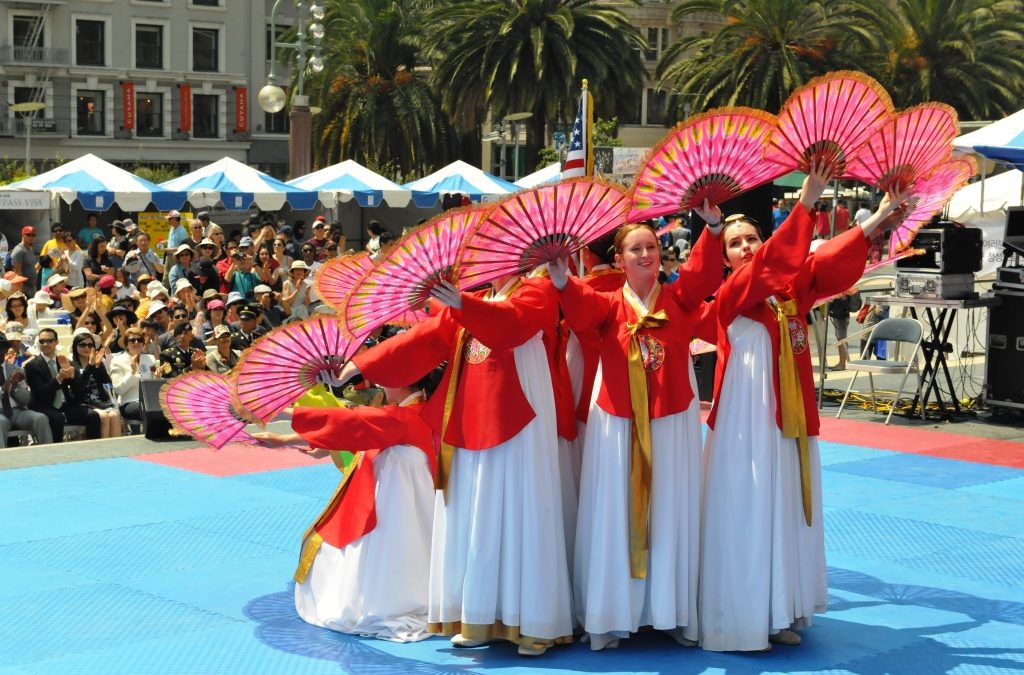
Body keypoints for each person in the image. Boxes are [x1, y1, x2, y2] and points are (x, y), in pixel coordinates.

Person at [695, 162, 900, 652]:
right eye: (735, 244)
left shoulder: (789, 292)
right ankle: (744, 612)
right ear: (725, 260)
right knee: (751, 507)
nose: (746, 248)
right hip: (747, 427)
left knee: (784, 507)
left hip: (787, 420)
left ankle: (779, 606)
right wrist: (806, 201)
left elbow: (826, 262)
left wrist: (883, 215)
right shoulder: (731, 294)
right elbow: (771, 267)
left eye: (751, 239)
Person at [334, 273, 573, 656]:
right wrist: (357, 368)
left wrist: (463, 304)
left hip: (520, 414)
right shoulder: (470, 299)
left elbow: (511, 326)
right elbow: (422, 339)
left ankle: (535, 622)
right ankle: (479, 616)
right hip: (472, 416)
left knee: (523, 506)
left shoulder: (536, 290)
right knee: (477, 511)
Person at [546, 204, 725, 651]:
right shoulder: (607, 306)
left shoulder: (679, 301)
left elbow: (703, 278)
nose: (645, 254)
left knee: (670, 509)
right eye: (635, 248)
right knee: (615, 511)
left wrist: (714, 227)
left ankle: (672, 611)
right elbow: (580, 309)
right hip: (617, 424)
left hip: (671, 423)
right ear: (619, 258)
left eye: (651, 246)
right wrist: (561, 274)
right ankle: (611, 614)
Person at [253, 374, 438, 642]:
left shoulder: (401, 417)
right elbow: (362, 430)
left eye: (389, 376)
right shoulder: (422, 411)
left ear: (404, 381)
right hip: (413, 504)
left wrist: (279, 417)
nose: (382, 383)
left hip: (393, 507)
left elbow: (349, 423)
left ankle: (385, 600)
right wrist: (318, 444)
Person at [24, 327, 102, 441]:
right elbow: (41, 393)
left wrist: (72, 376)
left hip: (65, 405)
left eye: (49, 341)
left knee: (93, 415)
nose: (45, 344)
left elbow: (80, 390)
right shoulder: (32, 366)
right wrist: (59, 378)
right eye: (42, 341)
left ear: (56, 342)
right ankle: (57, 455)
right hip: (44, 407)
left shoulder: (65, 361)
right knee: (57, 418)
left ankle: (94, 450)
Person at [0, 332, 53, 446]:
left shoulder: (16, 369)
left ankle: (49, 458)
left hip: (17, 411)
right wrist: (5, 386)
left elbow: (26, 400)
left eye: (2, 347)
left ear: (6, 349)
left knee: (40, 418)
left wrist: (15, 386)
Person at [68, 330, 121, 438]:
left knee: (114, 416)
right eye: (82, 345)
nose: (86, 348)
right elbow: (78, 388)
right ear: (75, 347)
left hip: (100, 402)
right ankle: (102, 451)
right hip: (81, 403)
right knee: (103, 417)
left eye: (90, 345)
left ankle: (116, 451)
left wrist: (98, 367)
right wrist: (90, 366)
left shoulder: (98, 363)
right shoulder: (71, 365)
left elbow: (108, 384)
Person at [108, 326, 158, 426]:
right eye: (132, 340)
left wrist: (157, 378)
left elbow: (155, 386)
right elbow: (119, 389)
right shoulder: (117, 361)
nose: (136, 342)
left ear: (143, 343)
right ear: (126, 345)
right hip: (129, 402)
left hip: (151, 401)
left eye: (139, 340)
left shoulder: (150, 358)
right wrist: (132, 373)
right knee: (151, 410)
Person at [10, 226, 38, 296]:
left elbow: (31, 266)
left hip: (32, 287)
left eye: (33, 235)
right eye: (28, 235)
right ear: (23, 235)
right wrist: (21, 290)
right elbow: (17, 271)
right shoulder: (19, 250)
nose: (31, 237)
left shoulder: (30, 248)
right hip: (24, 288)